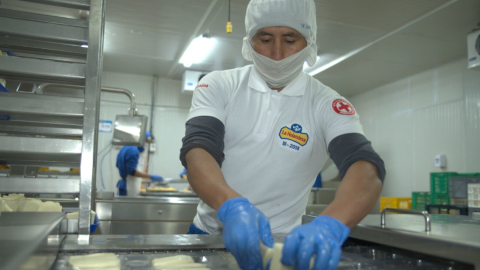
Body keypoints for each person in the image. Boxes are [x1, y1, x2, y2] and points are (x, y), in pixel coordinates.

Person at [180, 0, 385, 269]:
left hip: (283, 248)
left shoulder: (326, 103)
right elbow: (199, 149)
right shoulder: (219, 85)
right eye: (265, 39)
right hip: (208, 236)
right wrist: (231, 206)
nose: (277, 53)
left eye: (290, 40)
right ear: (249, 41)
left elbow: (364, 166)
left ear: (309, 42)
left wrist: (331, 223)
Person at [116, 131, 163, 196]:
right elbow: (132, 171)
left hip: (125, 184)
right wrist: (150, 176)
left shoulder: (125, 147)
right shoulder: (133, 151)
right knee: (129, 204)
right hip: (129, 187)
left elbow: (117, 165)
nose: (146, 145)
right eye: (146, 142)